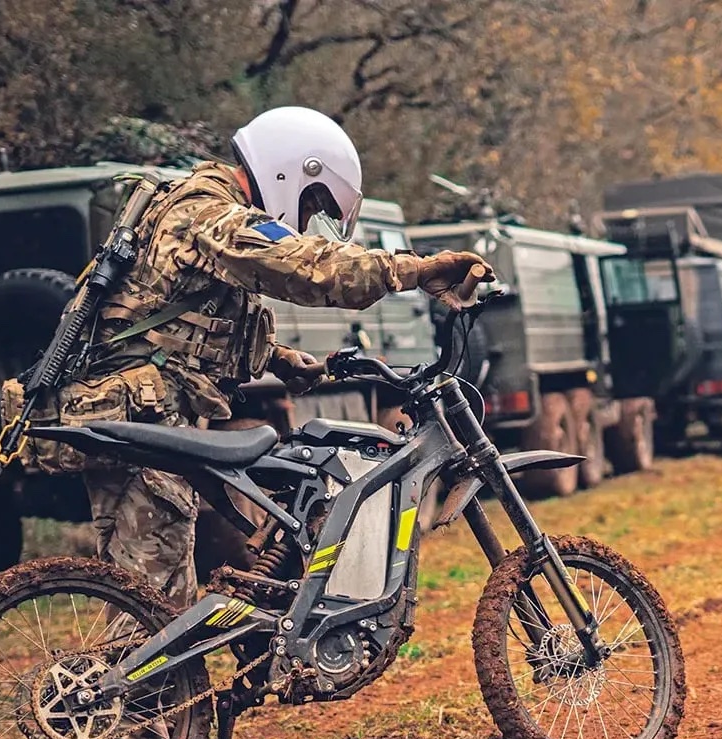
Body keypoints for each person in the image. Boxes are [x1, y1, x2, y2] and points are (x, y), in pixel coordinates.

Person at [61, 106, 492, 607]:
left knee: (159, 589)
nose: (307, 220)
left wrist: (278, 359)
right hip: (141, 419)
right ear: (291, 168)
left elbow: (186, 321)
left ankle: (171, 680)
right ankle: (119, 687)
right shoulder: (208, 212)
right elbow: (305, 267)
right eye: (311, 203)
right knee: (153, 602)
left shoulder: (204, 209)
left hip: (153, 416)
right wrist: (416, 270)